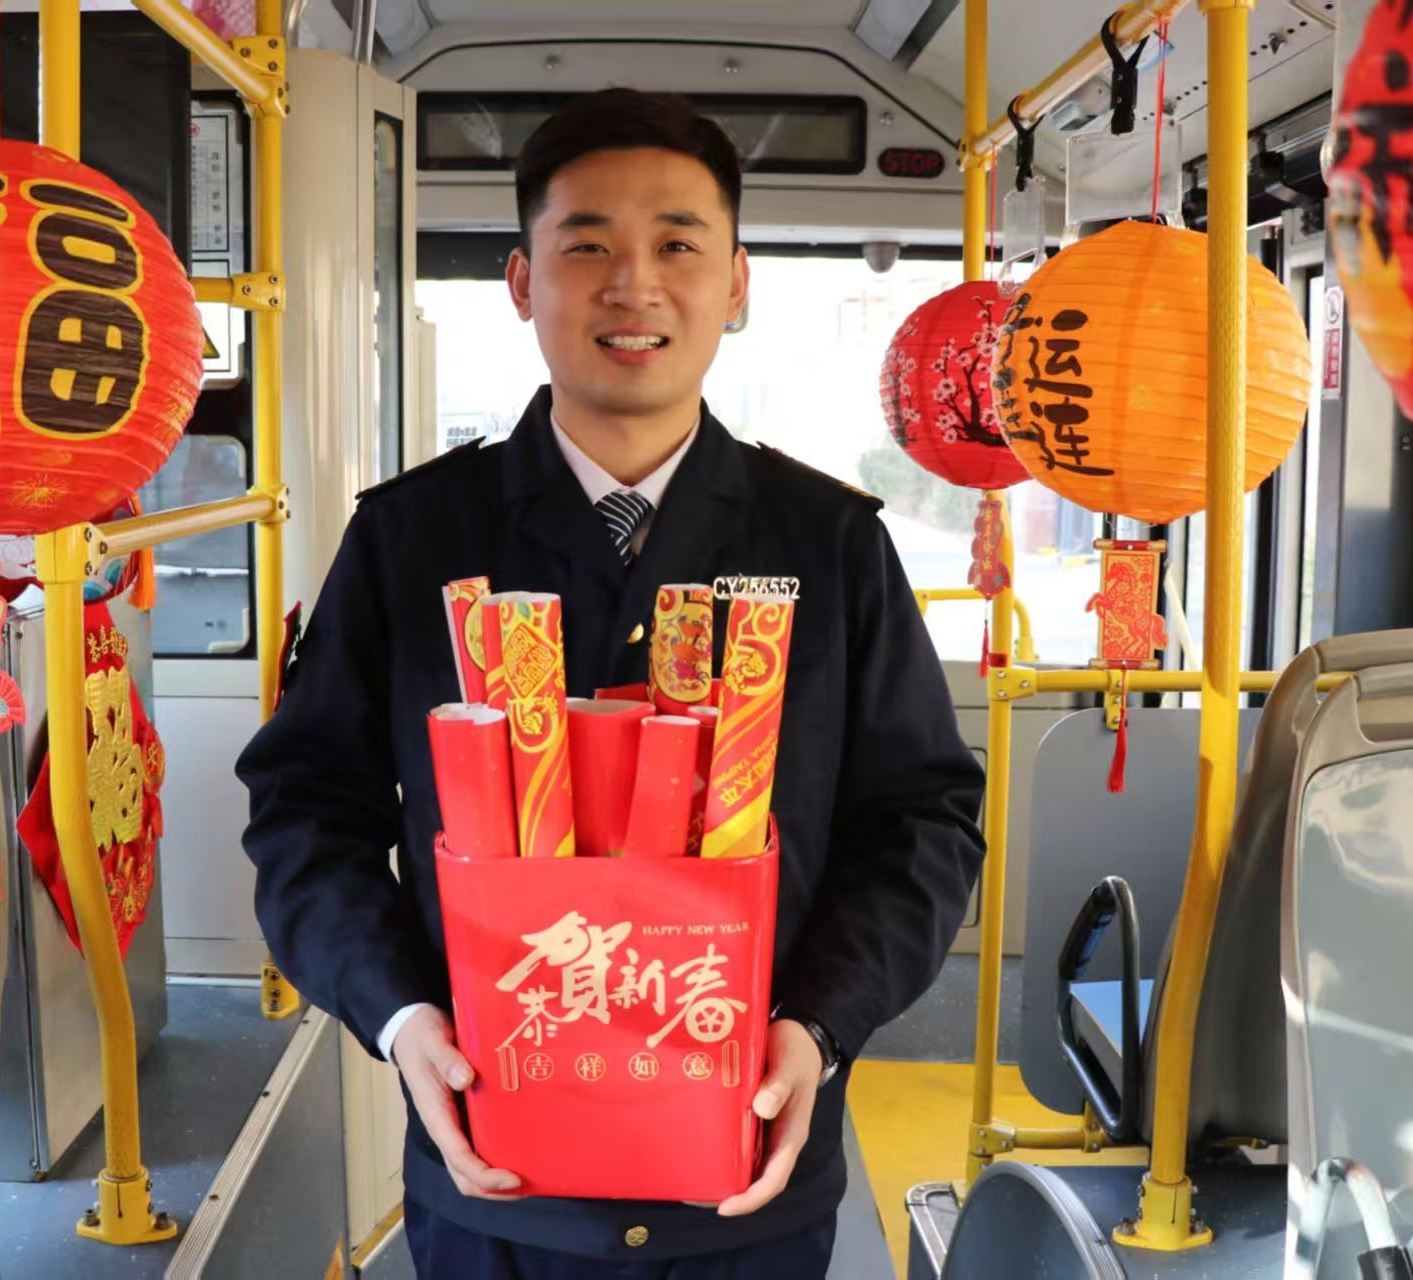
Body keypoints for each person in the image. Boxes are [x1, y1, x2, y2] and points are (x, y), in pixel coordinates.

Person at [238, 87, 986, 1278]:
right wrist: (401, 1016)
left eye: (679, 245)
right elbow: (306, 811)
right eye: (586, 245)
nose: (634, 285)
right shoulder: (412, 538)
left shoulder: (831, 544)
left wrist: (819, 1022)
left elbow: (923, 821)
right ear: (521, 281)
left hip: (751, 1175)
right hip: (494, 1178)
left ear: (736, 285)